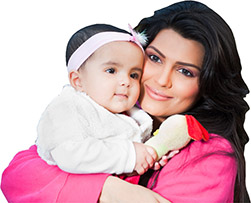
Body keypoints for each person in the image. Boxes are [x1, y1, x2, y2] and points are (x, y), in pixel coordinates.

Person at [1, 1, 250, 202]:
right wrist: (109, 190)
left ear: (207, 83)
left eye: (185, 71)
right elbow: (17, 174)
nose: (163, 80)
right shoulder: (113, 115)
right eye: (154, 58)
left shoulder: (210, 155)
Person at [35, 23, 160, 176]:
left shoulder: (133, 116)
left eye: (133, 75)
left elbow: (138, 150)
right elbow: (70, 153)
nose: (126, 81)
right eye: (111, 71)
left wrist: (152, 154)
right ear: (78, 81)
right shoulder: (68, 108)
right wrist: (129, 155)